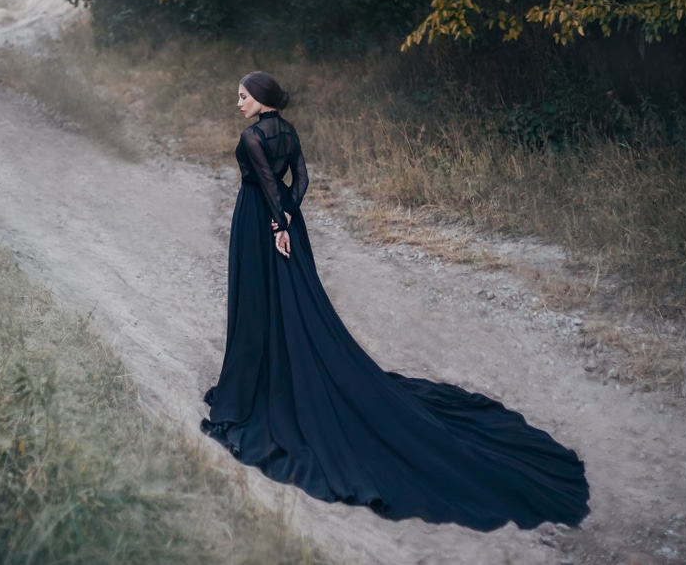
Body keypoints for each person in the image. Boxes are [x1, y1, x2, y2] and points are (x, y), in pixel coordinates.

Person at [201, 71, 590, 531]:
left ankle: (253, 387)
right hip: (286, 223)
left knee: (257, 304)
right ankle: (270, 374)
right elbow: (299, 177)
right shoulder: (287, 130)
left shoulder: (252, 136)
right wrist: (289, 214)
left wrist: (277, 225)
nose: (238, 102)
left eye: (243, 96)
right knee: (294, 304)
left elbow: (265, 182)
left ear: (261, 99)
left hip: (260, 226)